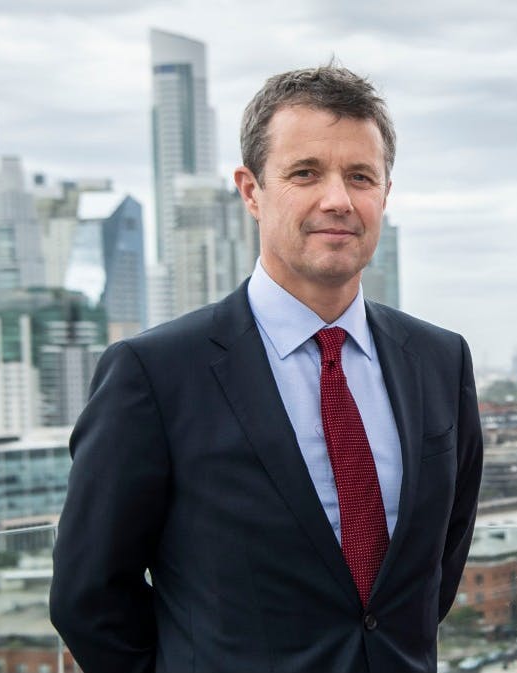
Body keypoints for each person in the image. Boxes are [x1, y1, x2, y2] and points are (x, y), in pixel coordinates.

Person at [49, 64, 483, 673]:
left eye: (361, 176)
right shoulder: (154, 374)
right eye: (305, 173)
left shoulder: (439, 360)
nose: (338, 200)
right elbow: (88, 597)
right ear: (251, 191)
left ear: (385, 193)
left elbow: (434, 572)